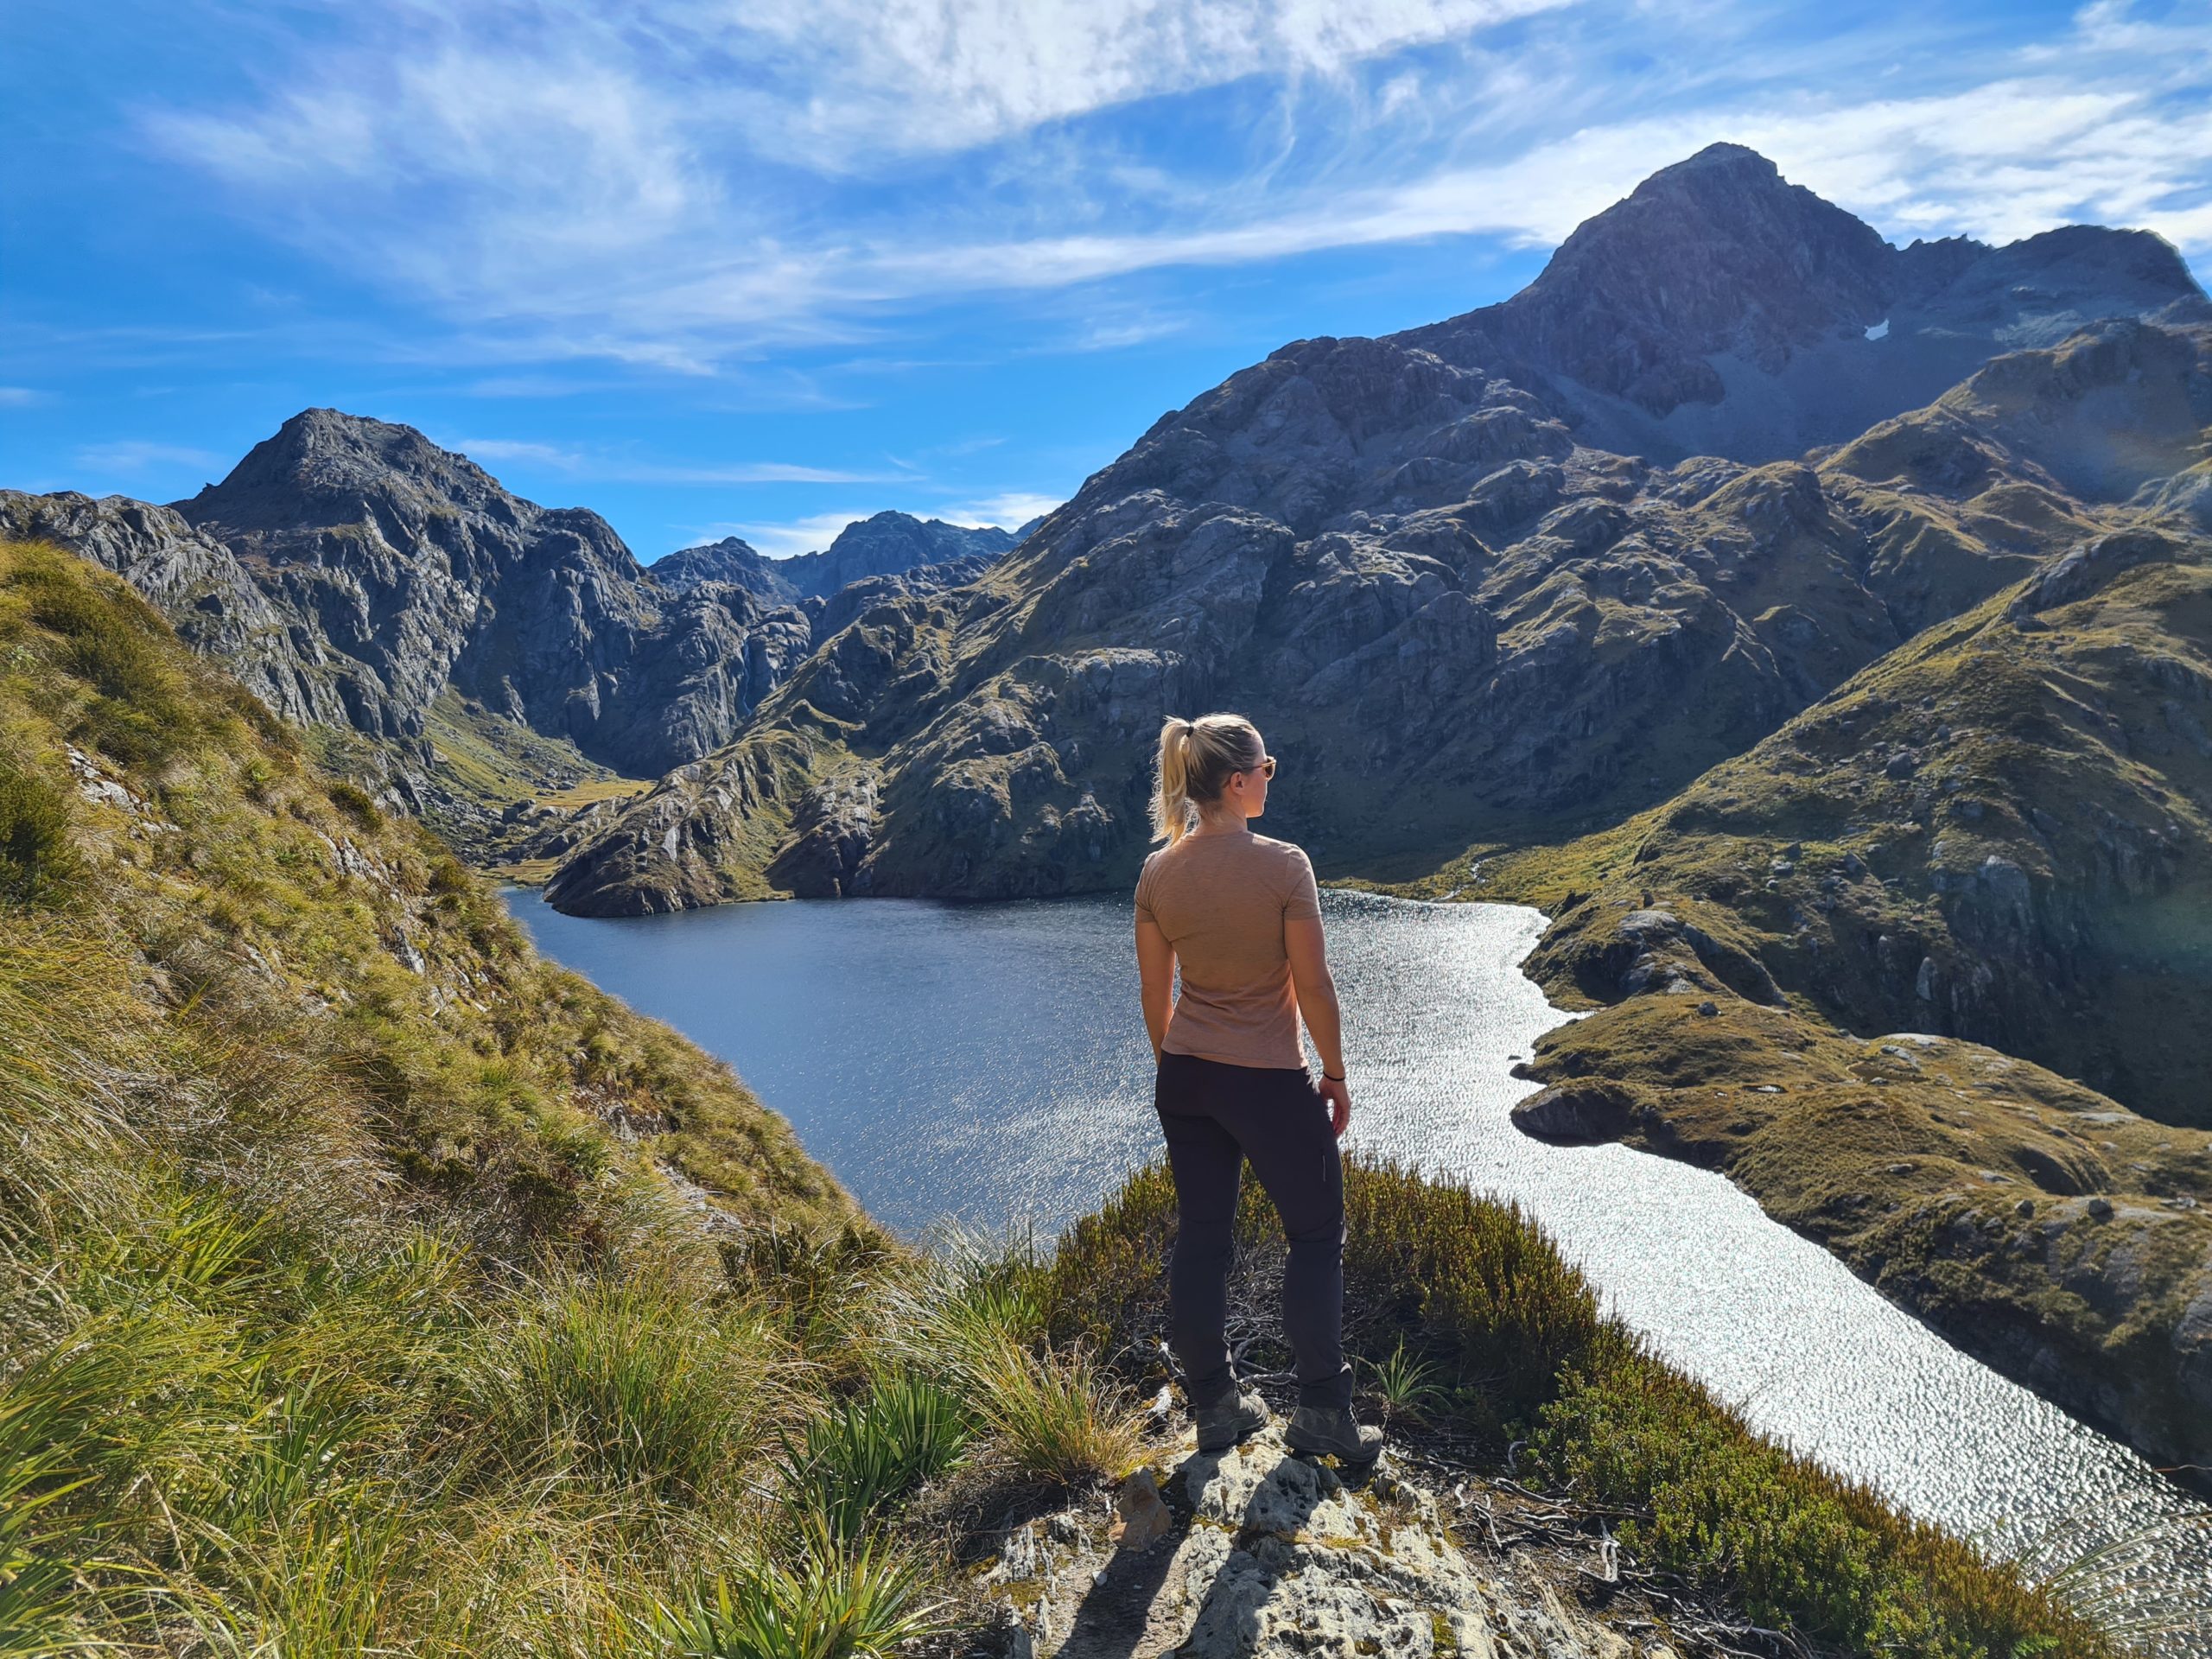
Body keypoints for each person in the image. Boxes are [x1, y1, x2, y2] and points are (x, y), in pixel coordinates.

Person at [1132, 712, 1382, 1463]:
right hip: (1266, 1078)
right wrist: (1334, 1076)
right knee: (1314, 1235)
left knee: (1203, 1238)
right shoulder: (1283, 865)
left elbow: (1156, 1000)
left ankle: (1215, 1404)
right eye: (1266, 770)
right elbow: (1313, 984)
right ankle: (1322, 1413)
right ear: (1238, 782)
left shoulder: (1158, 872)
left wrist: (1183, 1069)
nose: (1270, 779)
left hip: (1186, 1077)